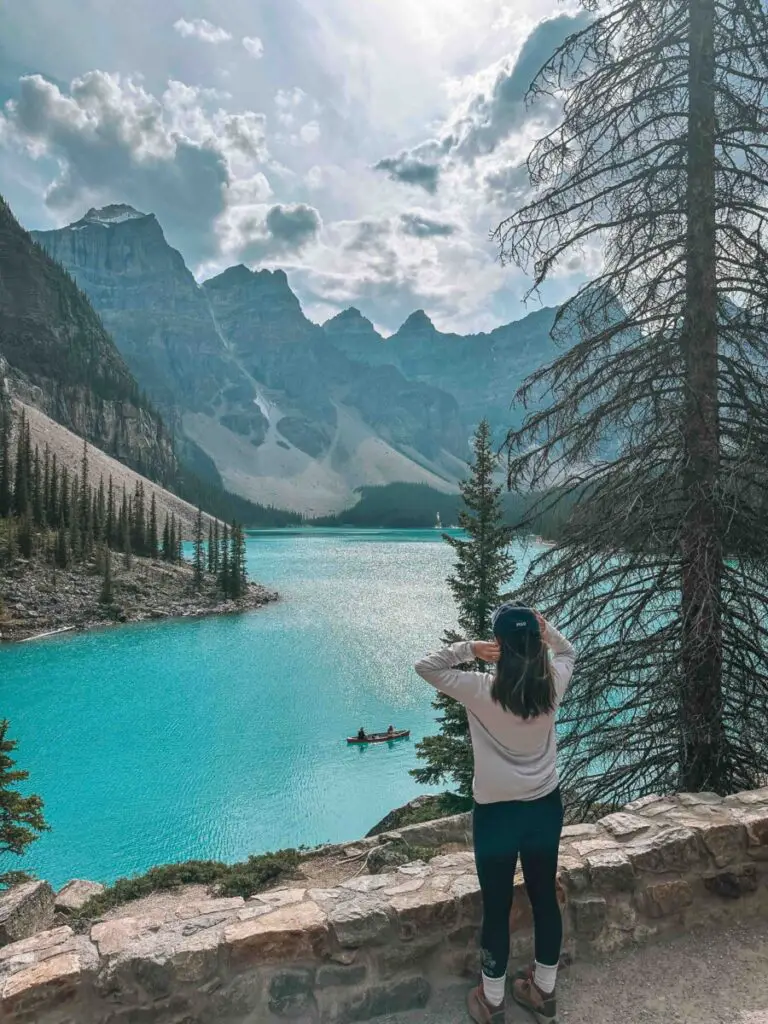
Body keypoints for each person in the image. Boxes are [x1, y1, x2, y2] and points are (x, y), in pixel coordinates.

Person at [414, 603, 576, 1024]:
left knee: (498, 905)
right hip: (544, 808)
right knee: (544, 898)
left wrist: (470, 648)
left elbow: (425, 666)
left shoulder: (480, 688)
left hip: (496, 816)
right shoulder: (552, 685)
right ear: (536, 641)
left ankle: (493, 999)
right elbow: (569, 653)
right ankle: (543, 992)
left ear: (499, 645)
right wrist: (549, 632)